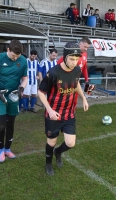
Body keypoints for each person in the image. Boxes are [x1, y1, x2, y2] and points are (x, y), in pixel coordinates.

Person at [38, 42, 89, 175]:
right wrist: (49, 110)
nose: (74, 62)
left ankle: (58, 152)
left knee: (70, 143)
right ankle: (48, 163)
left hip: (69, 113)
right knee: (52, 141)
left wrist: (83, 98)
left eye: (77, 59)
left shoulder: (77, 70)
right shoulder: (53, 72)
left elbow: (76, 83)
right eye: (72, 59)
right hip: (53, 113)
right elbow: (40, 92)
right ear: (65, 56)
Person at [0, 39, 28, 163]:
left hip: (13, 95)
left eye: (17, 56)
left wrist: (21, 89)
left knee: (11, 123)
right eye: (13, 56)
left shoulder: (23, 60)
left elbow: (25, 78)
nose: (15, 59)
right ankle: (0, 149)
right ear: (8, 50)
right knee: (1, 123)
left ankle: (8, 149)